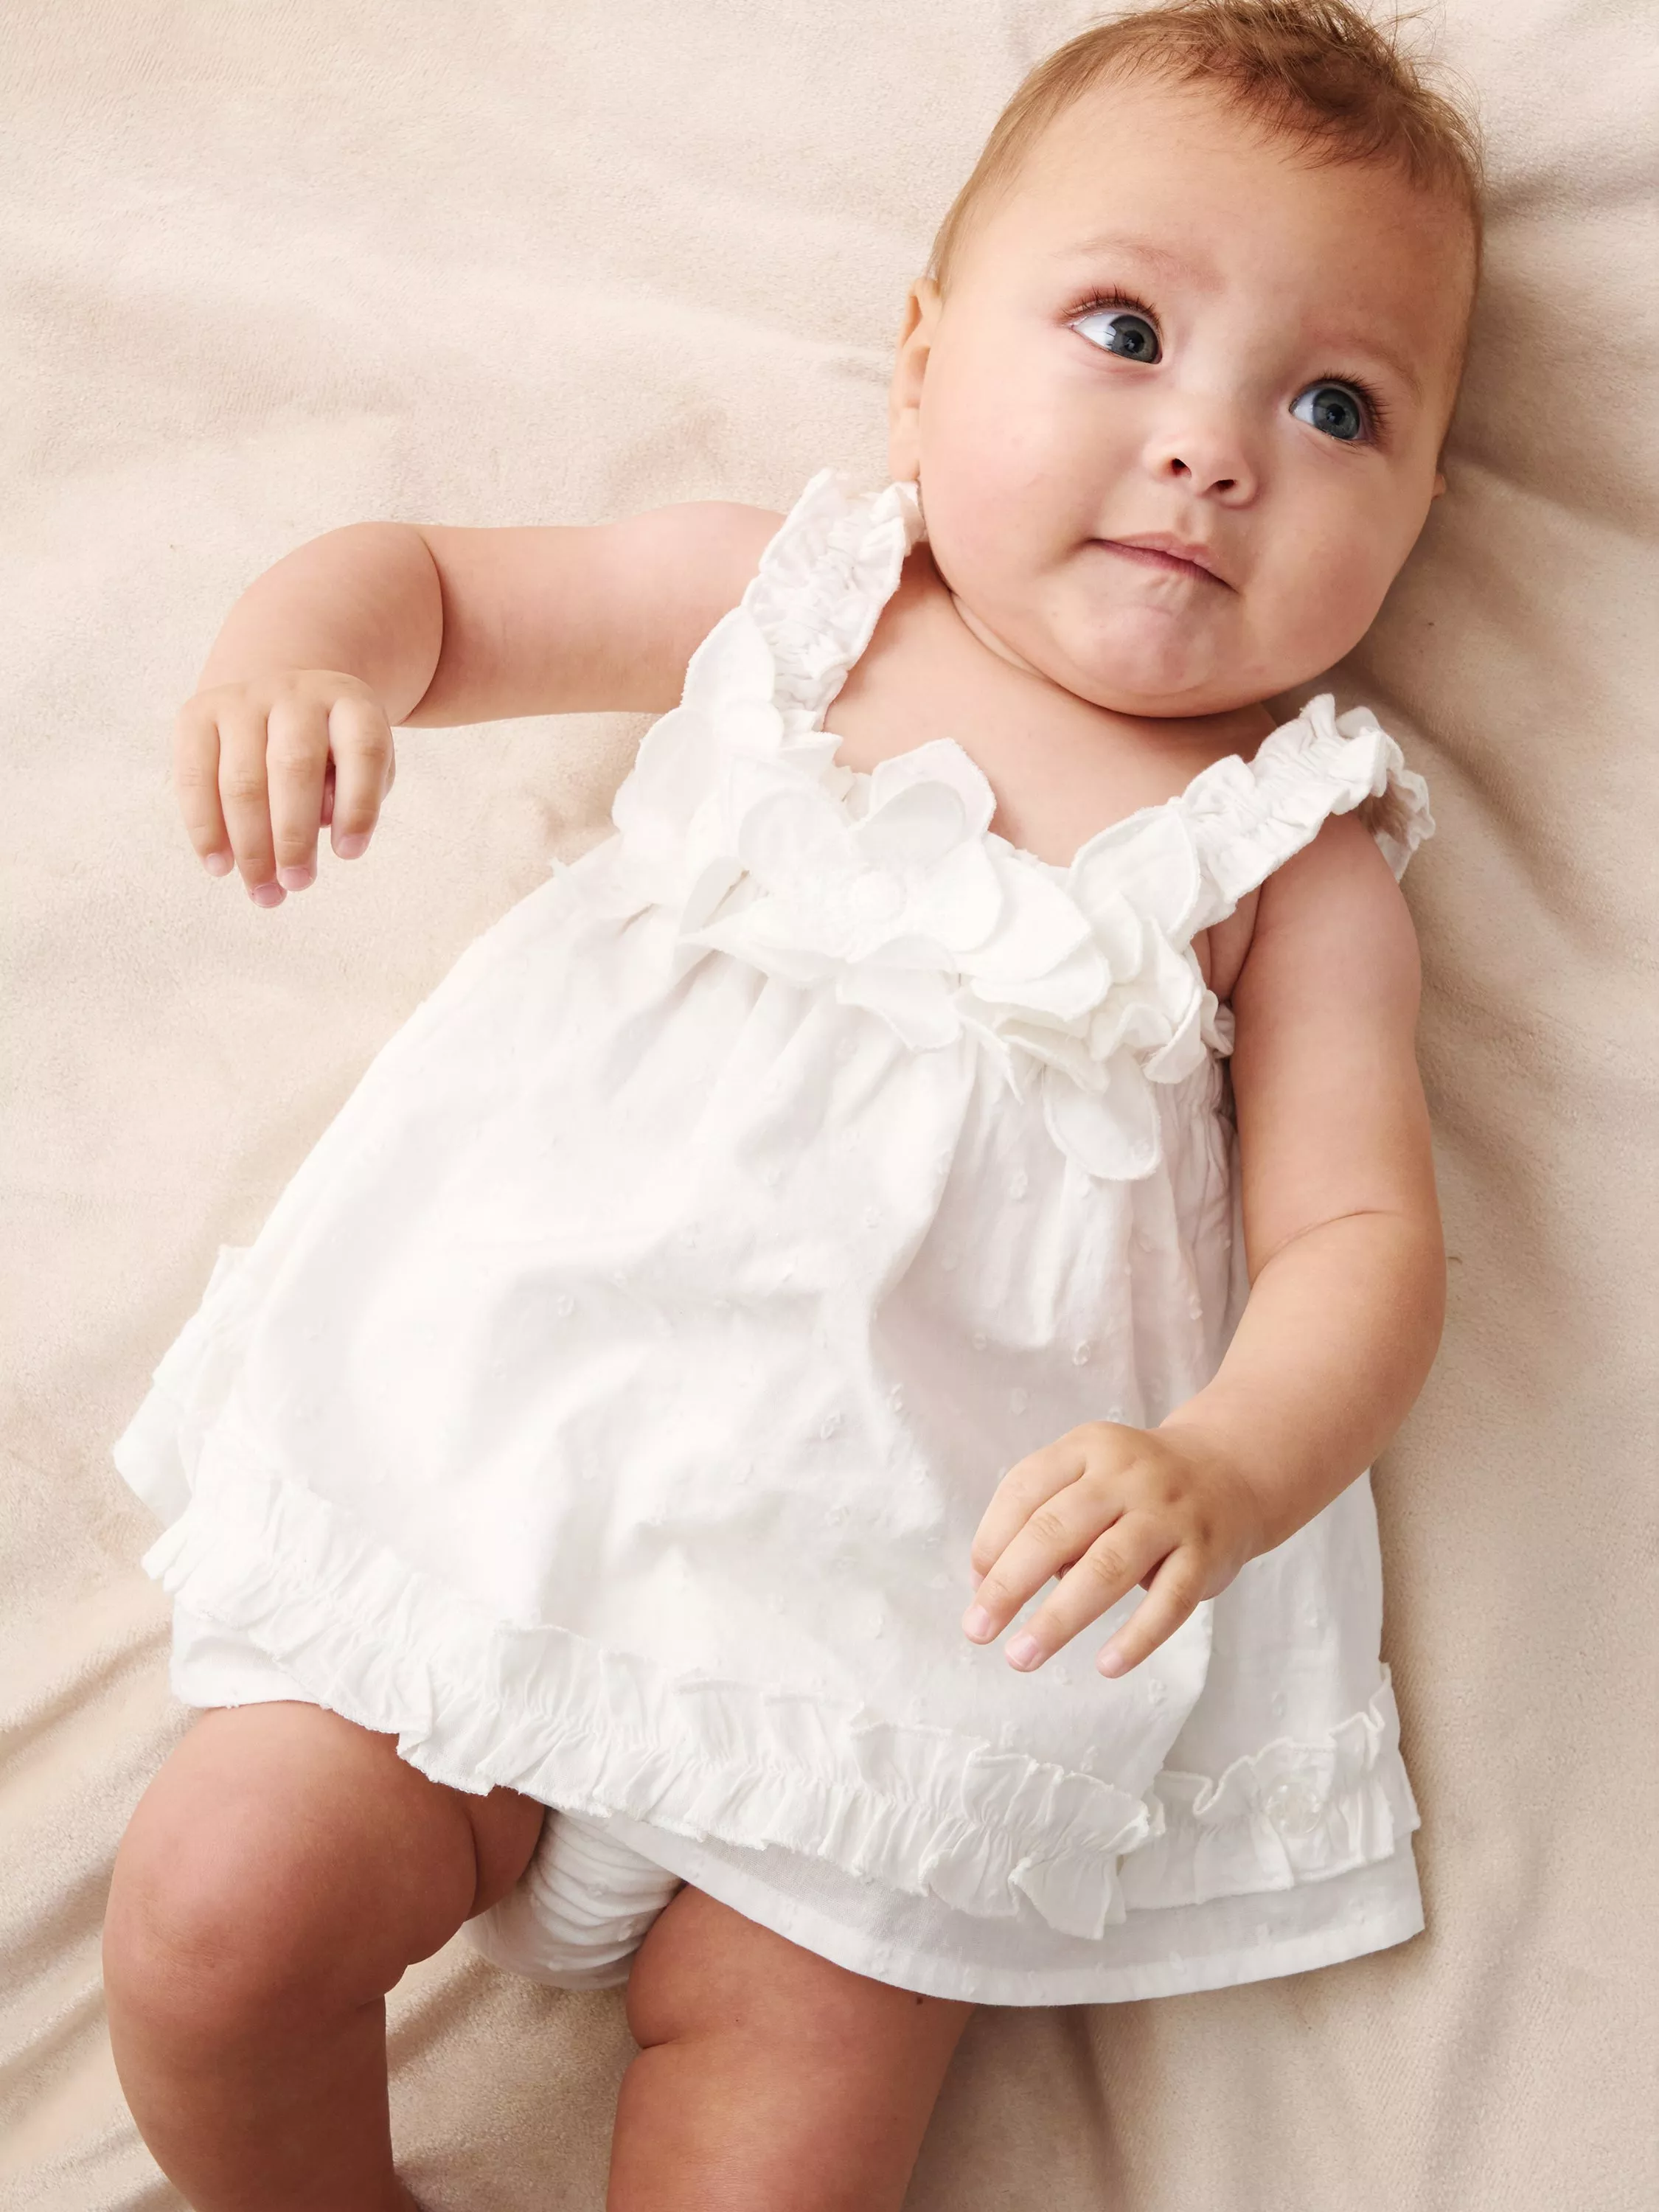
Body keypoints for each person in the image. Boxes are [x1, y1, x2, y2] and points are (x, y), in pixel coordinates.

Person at [100, 4, 1481, 2205]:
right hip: (501, 1499)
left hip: (891, 1674)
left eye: (1340, 407)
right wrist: (312, 658)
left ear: (1421, 512)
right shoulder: (807, 598)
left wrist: (1227, 1465)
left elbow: (1363, 1245)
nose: (1215, 448)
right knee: (201, 1928)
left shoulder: (1288, 848)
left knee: (779, 2161)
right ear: (923, 359)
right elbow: (440, 586)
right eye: (1125, 329)